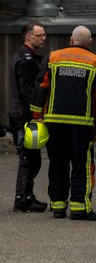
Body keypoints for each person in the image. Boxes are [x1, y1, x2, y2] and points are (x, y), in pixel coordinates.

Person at [30, 26, 96, 220]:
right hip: (81, 123)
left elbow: (42, 86)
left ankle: (58, 206)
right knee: (82, 165)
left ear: (71, 40)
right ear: (90, 42)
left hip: (54, 121)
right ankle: (80, 208)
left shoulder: (53, 57)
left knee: (57, 163)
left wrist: (36, 114)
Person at [9, 21, 48, 213]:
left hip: (21, 114)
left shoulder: (23, 55)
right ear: (28, 36)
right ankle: (22, 200)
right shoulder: (26, 60)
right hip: (24, 116)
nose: (43, 38)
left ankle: (27, 196)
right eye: (39, 35)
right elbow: (28, 91)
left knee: (33, 157)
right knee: (28, 158)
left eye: (43, 35)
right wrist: (36, 115)